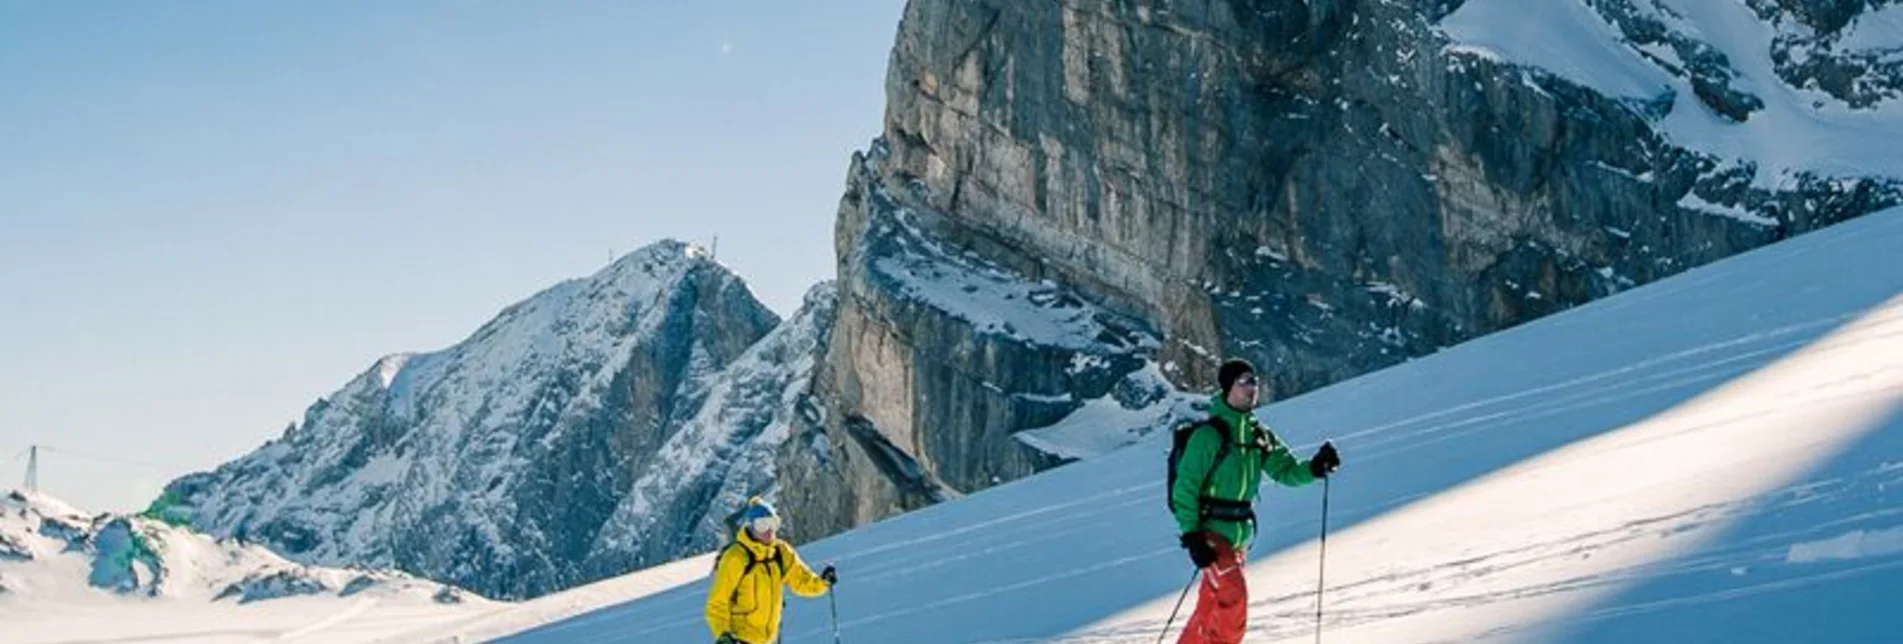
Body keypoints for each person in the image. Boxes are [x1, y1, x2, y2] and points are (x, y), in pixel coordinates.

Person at [1170, 358, 1341, 644]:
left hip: (1238, 539)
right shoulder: (1209, 436)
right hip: (1210, 534)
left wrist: (1314, 468)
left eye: (1255, 382)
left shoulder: (1258, 435)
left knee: (1210, 608)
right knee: (1233, 598)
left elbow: (1285, 471)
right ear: (1227, 388)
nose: (1252, 388)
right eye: (1244, 381)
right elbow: (1184, 488)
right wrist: (1192, 536)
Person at [705, 497, 837, 644]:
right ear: (751, 527)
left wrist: (823, 583)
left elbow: (800, 580)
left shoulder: (781, 552)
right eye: (762, 525)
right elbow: (717, 603)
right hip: (739, 639)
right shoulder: (736, 557)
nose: (768, 530)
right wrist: (723, 635)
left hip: (768, 640)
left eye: (773, 523)